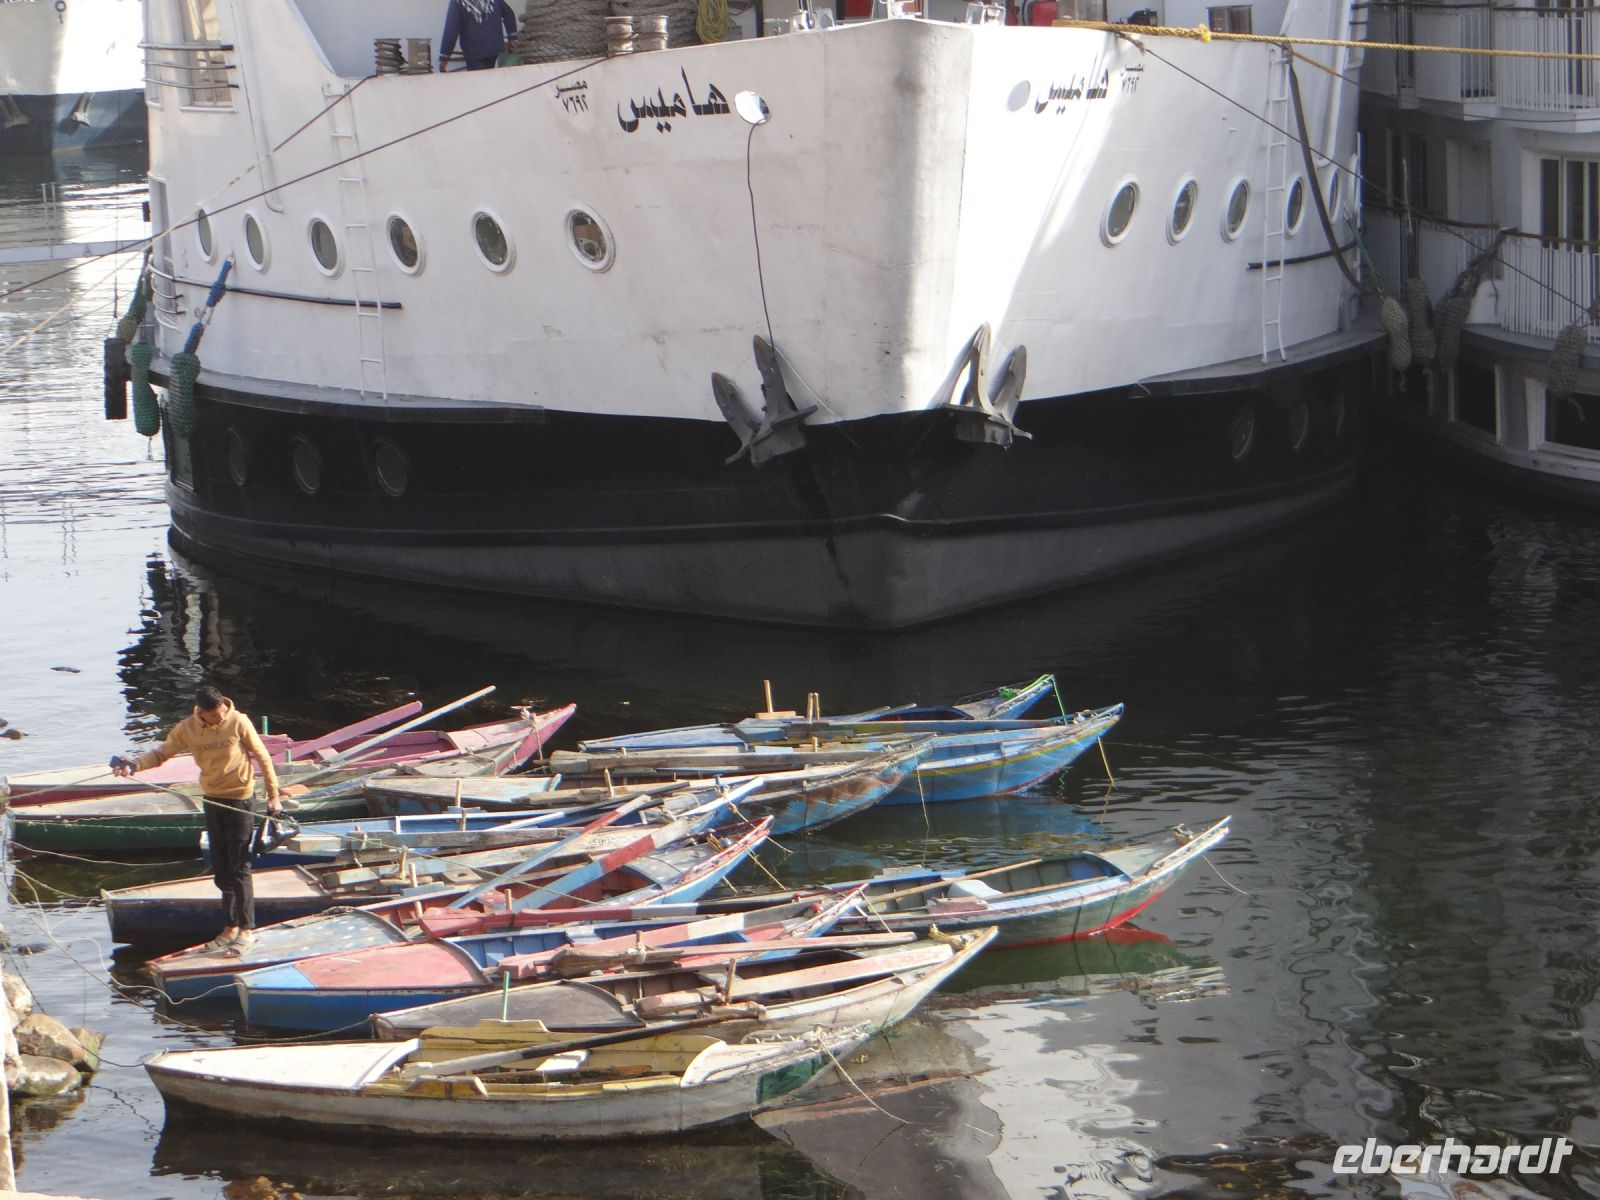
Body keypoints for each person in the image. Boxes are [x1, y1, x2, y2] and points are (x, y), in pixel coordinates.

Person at [111, 685, 281, 955]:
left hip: (241, 799)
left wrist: (274, 796)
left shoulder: (238, 721)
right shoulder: (187, 728)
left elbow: (262, 757)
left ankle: (247, 930)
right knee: (221, 868)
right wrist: (133, 765)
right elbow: (161, 754)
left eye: (222, 712)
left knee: (239, 866)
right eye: (214, 715)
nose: (220, 717)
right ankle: (230, 927)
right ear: (201, 712)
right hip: (213, 800)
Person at [439, 0, 518, 72]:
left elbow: (451, 29)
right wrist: (512, 38)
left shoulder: (457, 2)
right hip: (493, 47)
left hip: (473, 49)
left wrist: (444, 57)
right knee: (489, 75)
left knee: (477, 79)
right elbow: (509, 13)